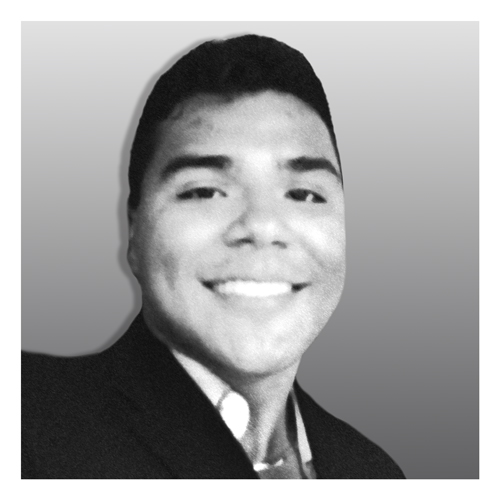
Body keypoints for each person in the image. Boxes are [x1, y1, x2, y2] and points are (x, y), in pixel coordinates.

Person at [22, 34, 405, 479]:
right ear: (135, 232)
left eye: (304, 194)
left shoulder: (373, 473)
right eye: (204, 191)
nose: (262, 226)